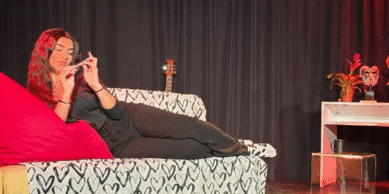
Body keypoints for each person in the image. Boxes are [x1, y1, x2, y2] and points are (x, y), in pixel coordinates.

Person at [27, 28, 253, 159]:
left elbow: (116, 112)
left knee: (192, 127)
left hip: (130, 117)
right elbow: (54, 130)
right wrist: (65, 94)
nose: (65, 56)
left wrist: (95, 84)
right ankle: (227, 152)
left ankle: (242, 152)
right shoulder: (36, 95)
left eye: (69, 52)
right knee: (191, 148)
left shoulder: (81, 78)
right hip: (116, 146)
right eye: (59, 50)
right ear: (45, 51)